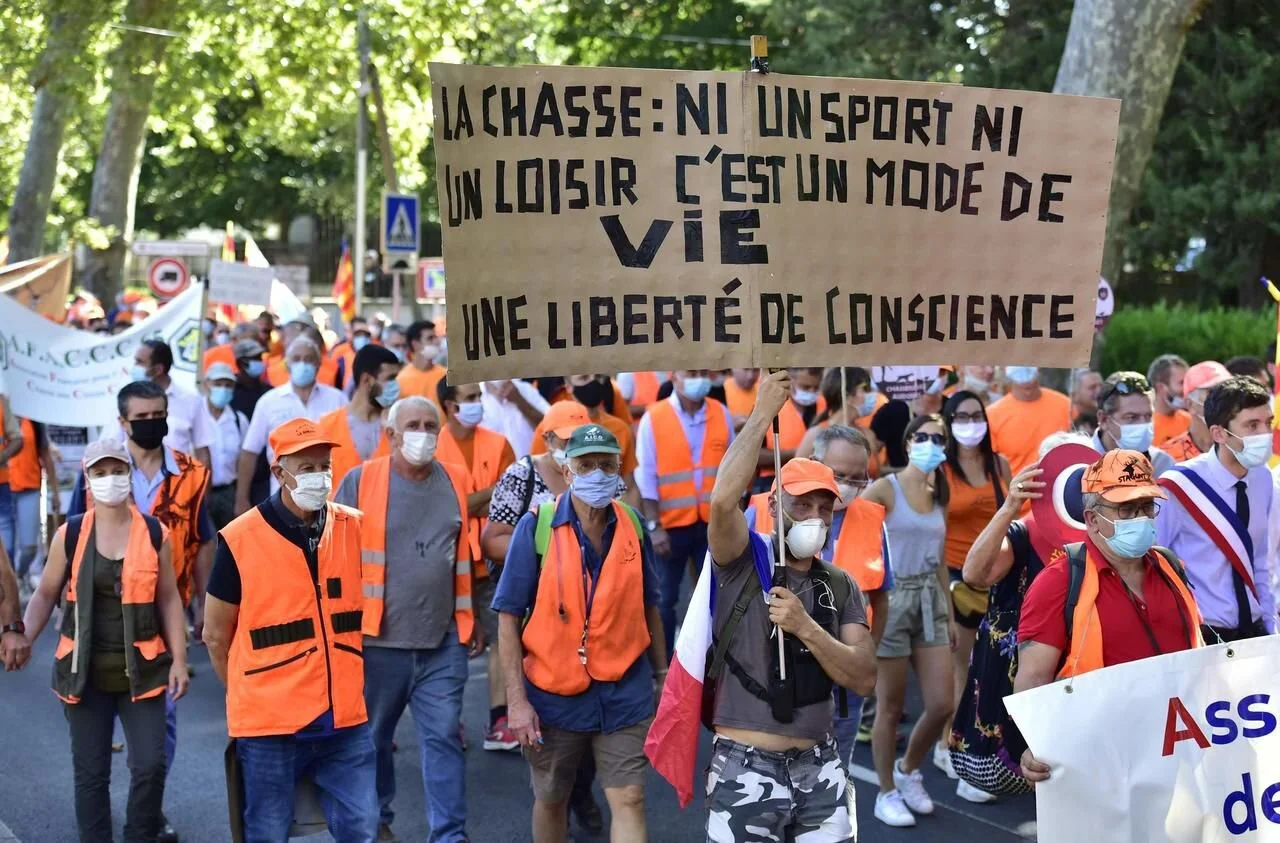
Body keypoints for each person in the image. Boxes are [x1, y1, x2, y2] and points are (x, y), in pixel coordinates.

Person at [703, 370, 876, 841]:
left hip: (820, 767)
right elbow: (721, 503)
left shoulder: (840, 585)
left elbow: (863, 676)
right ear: (776, 504)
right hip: (744, 766)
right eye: (803, 505)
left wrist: (807, 628)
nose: (816, 517)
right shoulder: (742, 560)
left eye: (826, 507)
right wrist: (763, 413)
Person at [203, 418, 379, 841]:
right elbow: (214, 633)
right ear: (279, 473)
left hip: (343, 716)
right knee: (268, 830)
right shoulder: (241, 539)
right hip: (270, 724)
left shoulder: (352, 527)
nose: (320, 476)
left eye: (324, 465)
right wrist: (245, 693)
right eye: (307, 468)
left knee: (363, 825)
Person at [494, 423, 667, 843]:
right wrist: (515, 704)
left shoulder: (632, 524)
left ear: (620, 471)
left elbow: (650, 606)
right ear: (567, 472)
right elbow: (508, 617)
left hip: (624, 691)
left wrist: (662, 676)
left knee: (629, 799)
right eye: (586, 465)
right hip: (553, 695)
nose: (597, 475)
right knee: (553, 798)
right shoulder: (537, 526)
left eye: (606, 465)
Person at [21, 438, 190, 842]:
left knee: (150, 765)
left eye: (117, 471)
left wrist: (181, 661)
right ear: (88, 478)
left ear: (129, 474)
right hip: (84, 673)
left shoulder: (153, 533)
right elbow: (45, 593)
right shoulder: (72, 533)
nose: (109, 479)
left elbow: (168, 598)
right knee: (91, 772)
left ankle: (138, 835)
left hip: (144, 672)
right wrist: (22, 639)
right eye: (100, 473)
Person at [332, 396, 482, 842]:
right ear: (391, 434)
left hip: (443, 641)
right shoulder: (361, 482)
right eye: (413, 425)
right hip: (377, 643)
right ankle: (376, 821)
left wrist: (471, 623)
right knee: (372, 742)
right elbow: (332, 561)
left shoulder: (455, 480)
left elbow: (461, 556)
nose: (423, 433)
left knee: (444, 742)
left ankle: (450, 835)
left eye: (430, 425)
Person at [68, 380, 213, 839]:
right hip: (101, 621)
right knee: (96, 747)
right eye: (142, 418)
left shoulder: (192, 473)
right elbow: (70, 535)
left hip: (161, 622)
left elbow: (202, 539)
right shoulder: (100, 473)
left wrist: (203, 606)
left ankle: (148, 812)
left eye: (159, 415)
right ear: (123, 421)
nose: (152, 423)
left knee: (157, 735)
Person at [1016, 450, 1202, 784]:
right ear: (1091, 519)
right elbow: (1032, 679)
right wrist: (1034, 746)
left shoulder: (1170, 568)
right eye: (1126, 509)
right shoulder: (1058, 582)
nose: (1141, 518)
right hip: (1102, 763)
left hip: (1177, 752)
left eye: (1147, 506)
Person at [482, 400, 607, 832]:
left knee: (595, 726)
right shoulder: (522, 475)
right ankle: (557, 796)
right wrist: (548, 553)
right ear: (548, 439)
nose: (576, 448)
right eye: (567, 441)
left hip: (595, 615)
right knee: (555, 720)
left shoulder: (603, 472)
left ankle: (581, 790)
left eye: (582, 439)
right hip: (540, 611)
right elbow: (491, 538)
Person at [951, 432, 1093, 796]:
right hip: (1019, 670)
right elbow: (974, 574)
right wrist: (1010, 507)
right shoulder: (1022, 532)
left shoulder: (1100, 532)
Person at [751, 424, 893, 767]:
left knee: (833, 777)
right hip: (774, 675)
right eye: (840, 474)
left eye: (859, 479)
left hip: (840, 682)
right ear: (814, 462)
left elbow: (881, 598)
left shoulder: (873, 520)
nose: (847, 486)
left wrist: (859, 656)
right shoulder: (758, 512)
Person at [861, 414, 955, 827]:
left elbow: (940, 559)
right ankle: (885, 792)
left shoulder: (939, 492)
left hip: (931, 599)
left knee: (941, 703)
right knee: (891, 706)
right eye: (923, 436)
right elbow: (856, 538)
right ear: (907, 440)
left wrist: (948, 613)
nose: (931, 443)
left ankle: (909, 768)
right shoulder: (886, 487)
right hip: (892, 599)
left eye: (939, 438)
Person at [1157, 376, 1276, 641]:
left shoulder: (1263, 478)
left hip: (1255, 631)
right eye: (1252, 425)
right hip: (1204, 634)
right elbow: (1154, 566)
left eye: (1268, 423)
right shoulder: (1178, 486)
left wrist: (1270, 626)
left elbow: (1260, 561)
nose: (1264, 435)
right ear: (1219, 433)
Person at [936, 390, 1010, 804]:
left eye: (975, 414)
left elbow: (1013, 515)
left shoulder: (999, 465)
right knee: (961, 670)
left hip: (995, 576)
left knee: (992, 667)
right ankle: (956, 749)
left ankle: (976, 745)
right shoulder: (941, 470)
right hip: (954, 578)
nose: (969, 422)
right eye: (960, 416)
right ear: (948, 422)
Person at [636, 368, 735, 656]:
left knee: (716, 597)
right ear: (674, 376)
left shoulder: (720, 412)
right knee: (664, 598)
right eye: (691, 373)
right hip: (670, 527)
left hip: (713, 524)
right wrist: (654, 526)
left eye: (703, 373)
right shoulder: (653, 418)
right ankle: (665, 664)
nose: (698, 378)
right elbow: (646, 476)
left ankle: (712, 661)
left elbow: (732, 467)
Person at [235, 336, 347, 513]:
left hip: (330, 499)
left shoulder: (338, 399)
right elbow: (249, 452)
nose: (302, 364)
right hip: (283, 500)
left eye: (308, 359)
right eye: (296, 359)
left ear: (318, 364)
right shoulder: (269, 401)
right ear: (287, 364)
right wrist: (241, 499)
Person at [529, 374, 641, 508]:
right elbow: (537, 471)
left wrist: (635, 525)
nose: (593, 383)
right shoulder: (551, 426)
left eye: (598, 377)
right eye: (584, 378)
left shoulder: (620, 428)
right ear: (568, 385)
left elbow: (630, 487)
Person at [110, 339, 213, 468]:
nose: (134, 367)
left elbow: (202, 450)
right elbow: (112, 446)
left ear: (158, 369)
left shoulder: (191, 401)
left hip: (180, 482)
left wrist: (203, 486)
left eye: (140, 362)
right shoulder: (127, 399)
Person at [318, 344, 402, 492]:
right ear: (367, 380)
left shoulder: (398, 426)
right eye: (390, 378)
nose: (396, 385)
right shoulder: (326, 426)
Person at [987, 366, 1072, 474]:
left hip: (1060, 486)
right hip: (1017, 488)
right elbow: (991, 465)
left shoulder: (1066, 405)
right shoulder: (991, 416)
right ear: (1003, 369)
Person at [1091, 371, 1175, 476]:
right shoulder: (1082, 463)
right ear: (1103, 419)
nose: (1143, 424)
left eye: (1148, 416)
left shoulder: (1163, 465)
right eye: (1132, 417)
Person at [202, 363, 250, 531]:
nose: (223, 389)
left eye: (228, 385)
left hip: (228, 493)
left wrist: (240, 497)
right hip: (200, 494)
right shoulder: (196, 417)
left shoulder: (238, 420)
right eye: (218, 384)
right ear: (207, 384)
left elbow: (245, 459)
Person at [1164, 360, 1231, 462]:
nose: (1223, 398)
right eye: (1212, 392)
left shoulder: (1243, 448)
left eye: (1227, 390)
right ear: (1190, 404)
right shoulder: (1168, 457)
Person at [761, 367, 824, 473]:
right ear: (790, 381)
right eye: (806, 387)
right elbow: (754, 455)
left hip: (815, 477)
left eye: (816, 388)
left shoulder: (825, 407)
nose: (811, 392)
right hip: (775, 479)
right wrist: (798, 453)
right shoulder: (768, 406)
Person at [480, 379, 550, 458]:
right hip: (495, 468)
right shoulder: (474, 397)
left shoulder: (526, 389)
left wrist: (519, 400)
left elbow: (552, 429)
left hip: (533, 466)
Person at [0, 392, 26, 556]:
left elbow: (17, 439)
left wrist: (2, 456)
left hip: (1, 482)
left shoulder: (1, 402)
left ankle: (7, 578)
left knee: (5, 528)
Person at [1147, 354, 1191, 447]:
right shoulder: (1145, 427)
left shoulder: (1190, 421)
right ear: (1161, 388)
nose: (1187, 388)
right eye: (1182, 383)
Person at [396, 320, 446, 400]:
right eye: (430, 338)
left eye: (435, 337)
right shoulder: (401, 380)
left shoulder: (445, 375)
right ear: (415, 344)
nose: (436, 342)